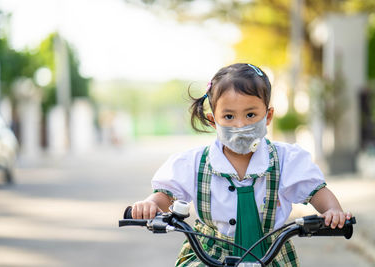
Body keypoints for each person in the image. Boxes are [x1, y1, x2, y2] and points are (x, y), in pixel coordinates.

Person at [131, 63, 352, 266]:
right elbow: (165, 194)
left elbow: (317, 192)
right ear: (212, 120)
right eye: (228, 116)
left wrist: (332, 211)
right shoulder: (195, 162)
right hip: (211, 254)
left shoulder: (286, 160)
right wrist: (150, 205)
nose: (240, 125)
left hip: (271, 253)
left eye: (250, 114)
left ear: (268, 116)